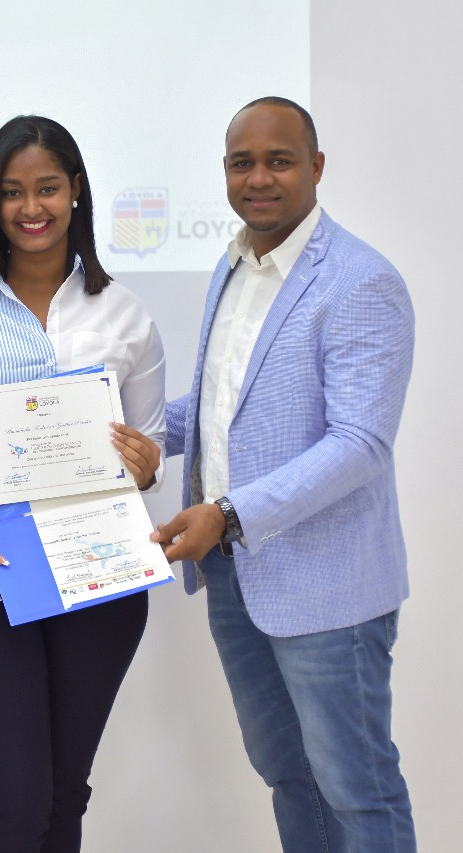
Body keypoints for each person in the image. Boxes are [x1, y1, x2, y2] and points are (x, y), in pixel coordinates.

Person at [149, 97, 417, 851]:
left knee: (358, 790)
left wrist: (228, 513)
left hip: (327, 588)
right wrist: (134, 438)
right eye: (243, 163)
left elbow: (360, 443)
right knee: (288, 774)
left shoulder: (360, 280)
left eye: (279, 161)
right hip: (233, 574)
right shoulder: (233, 265)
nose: (259, 178)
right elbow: (218, 408)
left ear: (317, 167)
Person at [0, 114, 165, 853]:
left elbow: (151, 452)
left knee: (63, 797)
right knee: (13, 805)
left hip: (97, 578)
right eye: (12, 191)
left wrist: (147, 466)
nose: (31, 207)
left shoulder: (126, 313)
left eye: (46, 188)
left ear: (75, 190)